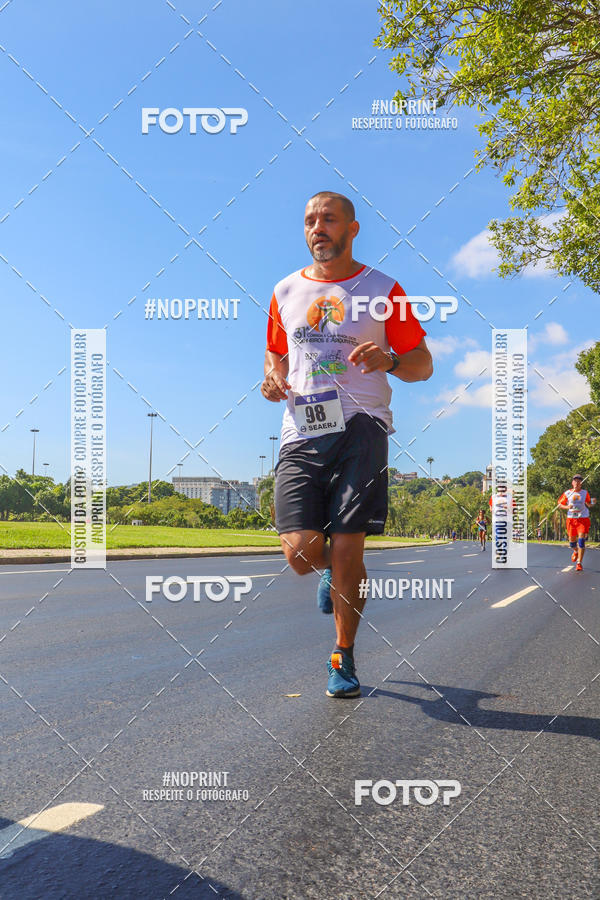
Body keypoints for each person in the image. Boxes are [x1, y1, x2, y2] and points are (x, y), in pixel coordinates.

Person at [261, 191, 433, 698]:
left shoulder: (382, 289)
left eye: (329, 219)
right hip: (303, 429)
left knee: (349, 546)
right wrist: (272, 381)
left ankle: (343, 655)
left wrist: (391, 362)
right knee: (300, 553)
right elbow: (274, 360)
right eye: (311, 220)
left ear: (352, 229)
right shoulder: (285, 290)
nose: (318, 228)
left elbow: (422, 364)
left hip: (363, 425)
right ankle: (331, 569)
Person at [558, 474, 596, 571]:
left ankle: (579, 563)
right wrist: (567, 507)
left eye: (579, 481)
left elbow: (588, 504)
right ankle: (575, 551)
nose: (577, 482)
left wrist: (593, 503)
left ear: (581, 483)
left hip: (582, 518)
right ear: (572, 482)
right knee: (572, 543)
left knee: (581, 541)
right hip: (571, 519)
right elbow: (560, 504)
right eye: (575, 480)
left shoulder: (585, 493)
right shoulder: (567, 493)